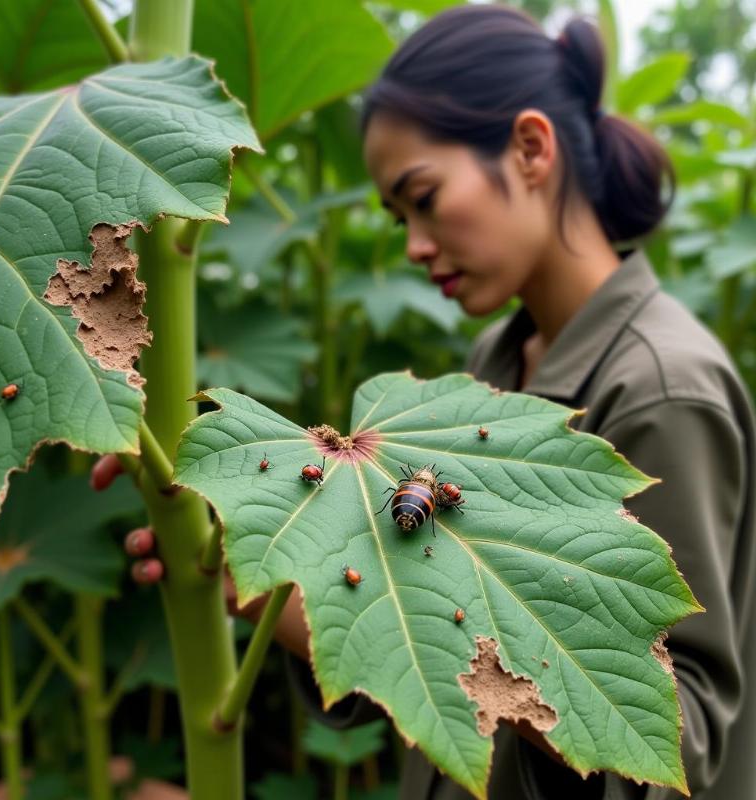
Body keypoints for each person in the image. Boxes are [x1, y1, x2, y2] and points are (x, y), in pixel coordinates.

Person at [102, 5, 756, 798]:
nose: (412, 244)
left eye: (424, 196)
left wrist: (469, 622)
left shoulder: (663, 386)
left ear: (530, 149)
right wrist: (255, 572)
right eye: (397, 215)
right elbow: (424, 634)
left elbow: (669, 743)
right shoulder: (495, 360)